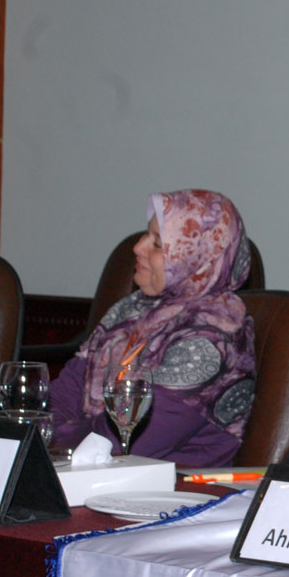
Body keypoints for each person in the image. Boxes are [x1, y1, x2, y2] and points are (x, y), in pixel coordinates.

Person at [50, 189, 256, 465]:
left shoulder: (214, 340)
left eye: (157, 243)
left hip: (176, 487)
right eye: (147, 235)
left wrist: (51, 436)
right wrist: (48, 433)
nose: (138, 247)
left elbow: (126, 440)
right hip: (94, 473)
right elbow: (61, 395)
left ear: (195, 256)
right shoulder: (131, 309)